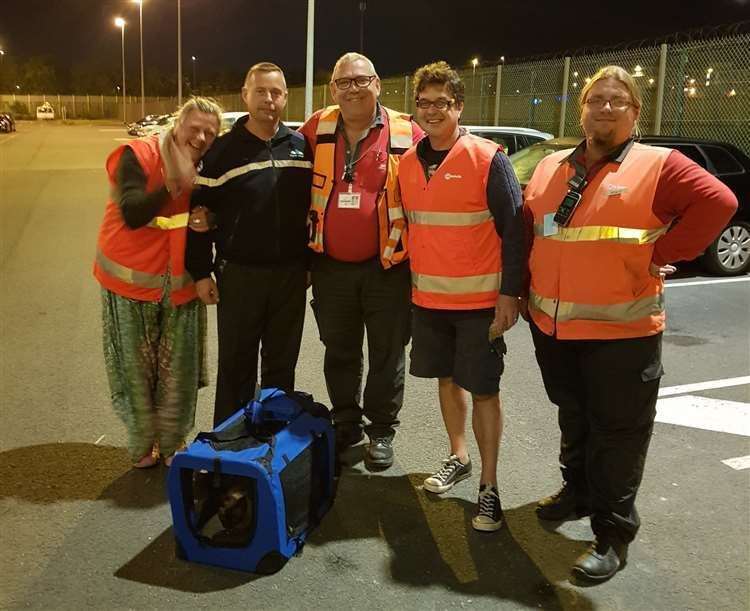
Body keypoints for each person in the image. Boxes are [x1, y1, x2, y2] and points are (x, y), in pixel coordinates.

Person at [523, 65, 738, 581]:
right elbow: (539, 228)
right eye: (597, 98)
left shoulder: (659, 164)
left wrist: (665, 252)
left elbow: (721, 202)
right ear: (582, 108)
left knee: (619, 434)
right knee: (573, 418)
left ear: (635, 112)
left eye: (618, 100)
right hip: (553, 327)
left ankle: (612, 535)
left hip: (622, 333)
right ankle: (576, 493)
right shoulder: (555, 165)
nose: (606, 107)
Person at [398, 62, 524, 531]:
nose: (432, 111)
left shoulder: (488, 158)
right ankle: (459, 456)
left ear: (458, 106)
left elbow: (515, 231)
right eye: (424, 103)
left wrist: (510, 295)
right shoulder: (407, 163)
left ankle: (488, 488)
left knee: (485, 391)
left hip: (479, 306)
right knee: (446, 382)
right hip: (429, 304)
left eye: (441, 103)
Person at [299, 52, 423, 470]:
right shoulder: (318, 127)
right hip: (330, 266)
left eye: (360, 80)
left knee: (388, 352)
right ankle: (346, 422)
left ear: (377, 84)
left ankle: (382, 430)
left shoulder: (407, 132)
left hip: (387, 266)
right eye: (343, 82)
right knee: (339, 349)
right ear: (333, 89)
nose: (352, 89)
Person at [94, 96, 222, 468]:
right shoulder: (139, 154)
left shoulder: (209, 167)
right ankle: (142, 443)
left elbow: (223, 210)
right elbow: (132, 212)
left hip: (181, 280)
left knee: (177, 370)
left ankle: (172, 442)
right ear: (177, 124)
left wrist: (211, 218)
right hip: (129, 281)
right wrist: (172, 186)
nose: (200, 137)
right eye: (194, 128)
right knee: (137, 369)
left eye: (209, 133)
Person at [185, 62, 313, 427]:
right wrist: (200, 271)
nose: (268, 100)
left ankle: (271, 451)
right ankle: (229, 454)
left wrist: (307, 264)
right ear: (245, 95)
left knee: (281, 368)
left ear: (286, 97)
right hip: (239, 275)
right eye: (260, 91)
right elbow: (199, 216)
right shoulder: (222, 152)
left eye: (275, 93)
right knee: (236, 369)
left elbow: (311, 212)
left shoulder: (301, 147)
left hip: (289, 277)